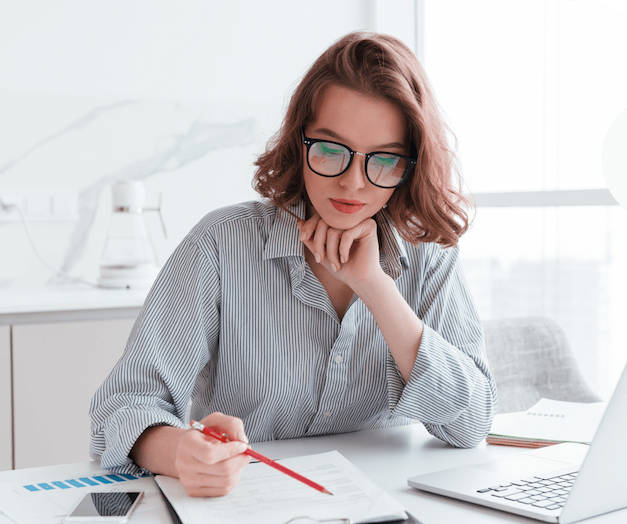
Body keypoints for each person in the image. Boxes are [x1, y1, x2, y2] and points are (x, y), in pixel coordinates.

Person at [89, 31, 496, 497]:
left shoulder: (429, 254)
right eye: (329, 149)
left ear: (411, 163)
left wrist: (375, 287)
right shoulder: (222, 244)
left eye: (383, 160)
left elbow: (471, 423)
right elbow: (121, 409)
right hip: (245, 508)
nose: (352, 183)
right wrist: (182, 452)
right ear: (299, 142)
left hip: (387, 510)